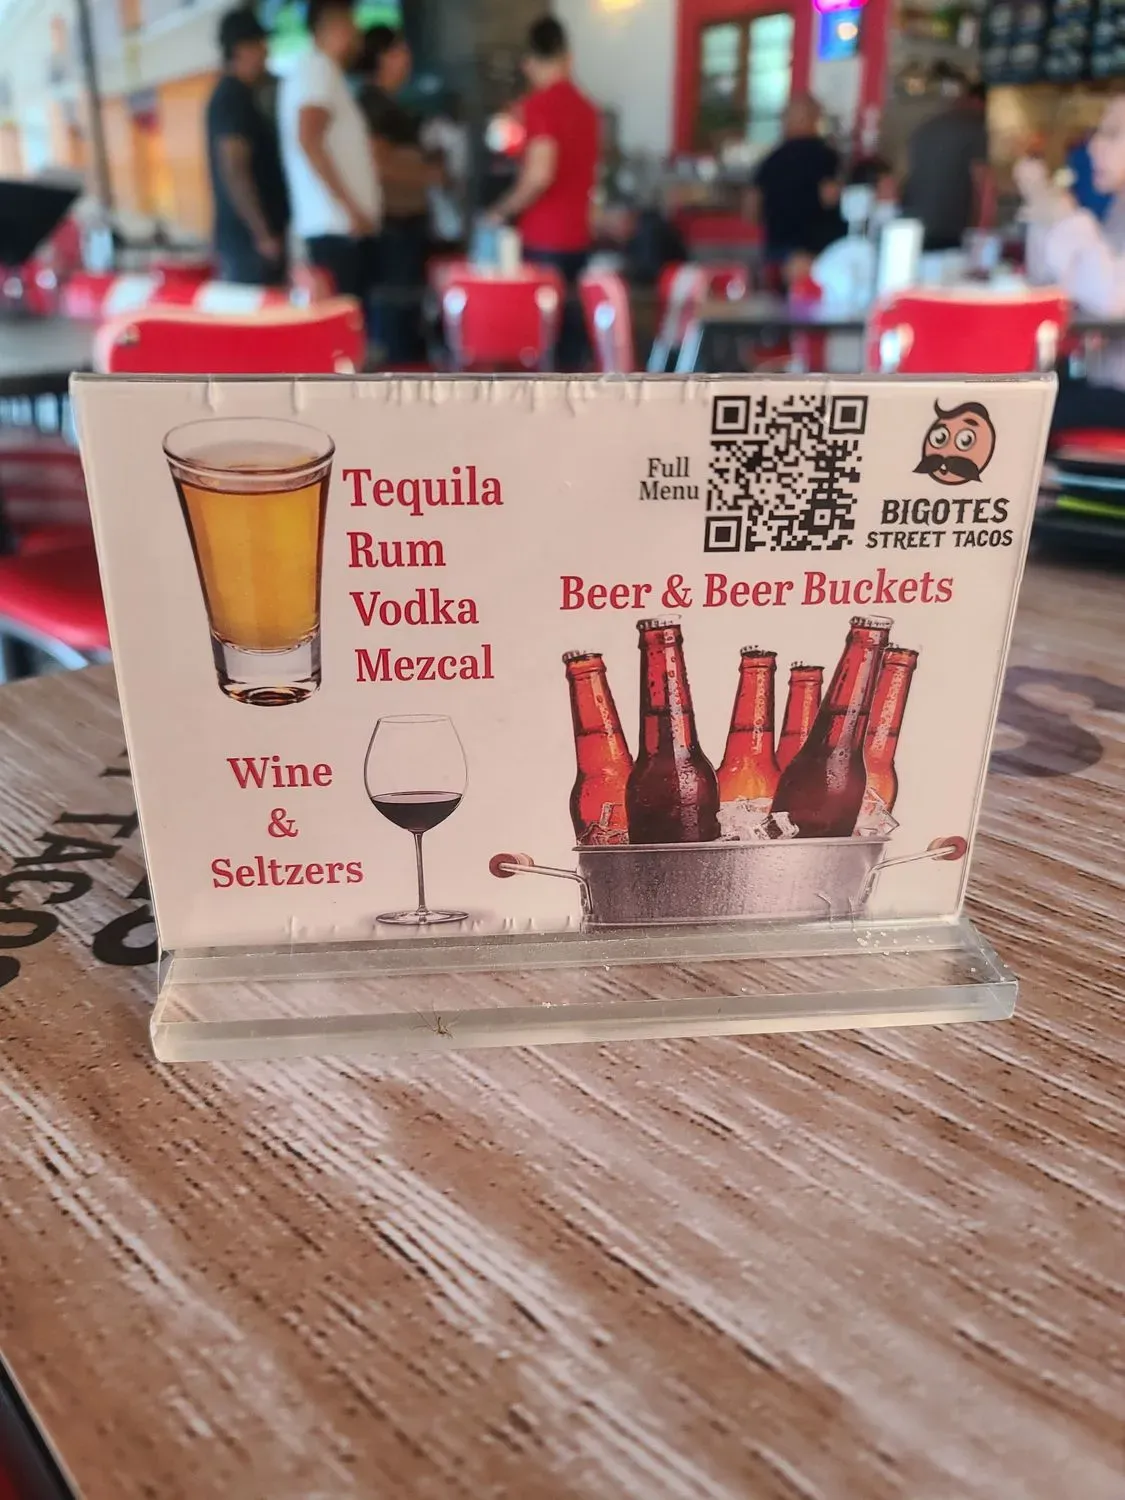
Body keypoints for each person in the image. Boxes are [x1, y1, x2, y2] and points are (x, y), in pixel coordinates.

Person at [488, 16, 600, 368]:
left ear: (530, 62)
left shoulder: (540, 105)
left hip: (544, 241)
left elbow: (540, 174)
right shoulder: (588, 108)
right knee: (570, 345)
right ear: (568, 57)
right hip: (579, 238)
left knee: (541, 345)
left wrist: (500, 211)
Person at [1018, 95, 1125, 431]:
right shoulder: (1118, 211)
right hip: (1105, 383)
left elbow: (1112, 299)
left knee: (1023, 415)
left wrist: (1065, 218)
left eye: (1112, 134)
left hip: (1117, 391)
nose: (1093, 147)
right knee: (1016, 396)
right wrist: (1045, 213)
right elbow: (1047, 285)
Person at [278, 0, 381, 302]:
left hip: (336, 229)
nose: (357, 34)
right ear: (334, 27)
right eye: (351, 24)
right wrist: (350, 209)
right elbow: (308, 139)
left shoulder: (321, 71)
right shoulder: (317, 68)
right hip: (335, 231)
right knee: (343, 319)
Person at [358, 25, 434, 362]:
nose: (408, 59)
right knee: (396, 314)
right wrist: (430, 175)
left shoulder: (389, 103)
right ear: (382, 58)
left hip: (408, 222)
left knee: (409, 310)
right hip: (393, 225)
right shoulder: (372, 104)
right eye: (400, 51)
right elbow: (379, 163)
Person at [205, 8, 290, 286]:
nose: (266, 51)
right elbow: (234, 169)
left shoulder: (243, 95)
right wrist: (262, 234)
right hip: (249, 247)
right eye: (260, 44)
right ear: (241, 49)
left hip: (252, 243)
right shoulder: (232, 97)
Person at [750, 95, 844, 278]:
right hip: (817, 254)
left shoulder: (770, 160)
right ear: (815, 119)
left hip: (776, 253)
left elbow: (751, 210)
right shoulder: (827, 158)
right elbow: (830, 198)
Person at [902, 83, 991, 252]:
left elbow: (910, 173)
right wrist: (982, 229)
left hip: (914, 221)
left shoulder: (924, 128)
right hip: (952, 227)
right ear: (977, 101)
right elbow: (983, 183)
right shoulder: (973, 128)